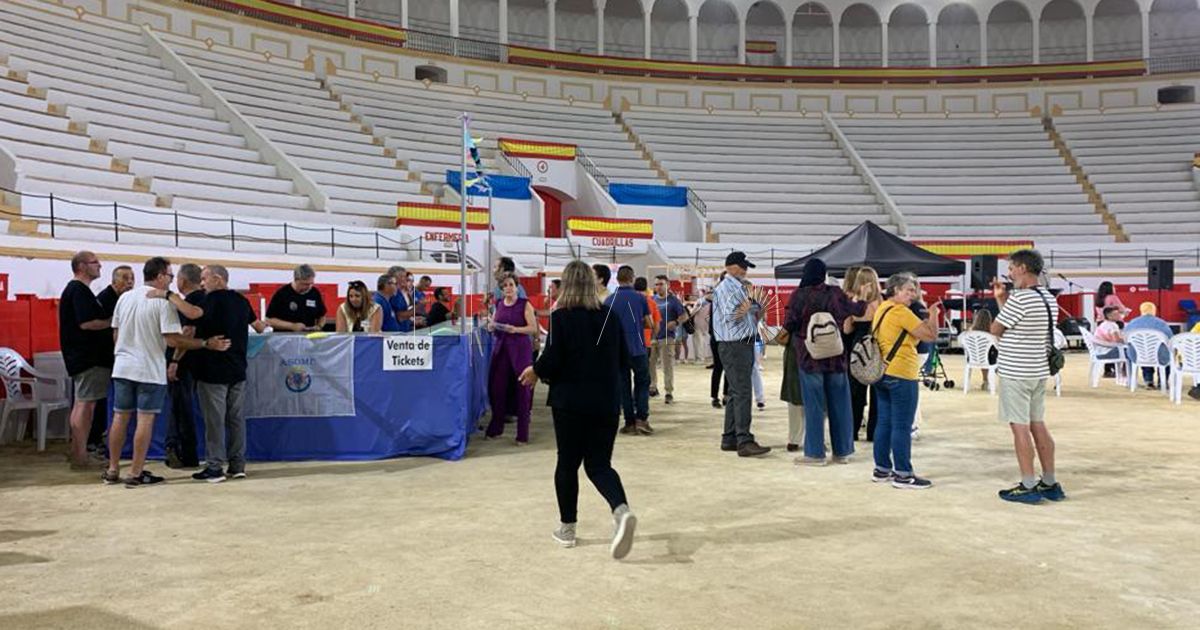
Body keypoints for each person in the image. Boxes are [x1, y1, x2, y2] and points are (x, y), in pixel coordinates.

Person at [518, 260, 636, 559]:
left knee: (567, 463)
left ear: (567, 285)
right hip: (607, 402)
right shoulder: (610, 315)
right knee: (599, 465)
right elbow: (624, 360)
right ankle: (621, 511)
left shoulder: (562, 318)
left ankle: (568, 529)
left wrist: (534, 370)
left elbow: (553, 359)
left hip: (570, 402)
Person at [104, 257, 230, 487]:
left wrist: (124, 353)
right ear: (161, 276)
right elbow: (173, 339)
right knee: (145, 419)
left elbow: (116, 334)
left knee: (119, 417)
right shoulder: (163, 303)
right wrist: (204, 344)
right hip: (149, 369)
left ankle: (112, 469)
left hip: (122, 366)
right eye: (170, 276)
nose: (172, 281)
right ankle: (135, 472)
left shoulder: (124, 297)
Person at [990, 248, 1066, 504]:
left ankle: (1028, 483)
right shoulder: (1048, 298)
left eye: (1011, 268)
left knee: (1019, 427)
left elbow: (996, 328)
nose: (1009, 273)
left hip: (1015, 371)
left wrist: (1002, 300)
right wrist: (1004, 299)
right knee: (1038, 424)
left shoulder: (1020, 299)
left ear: (1022, 268)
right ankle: (1050, 480)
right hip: (1037, 369)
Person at [783, 258, 871, 466]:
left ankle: (815, 454)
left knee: (814, 406)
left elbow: (790, 323)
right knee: (840, 405)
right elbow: (857, 311)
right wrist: (863, 297)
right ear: (823, 274)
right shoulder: (834, 293)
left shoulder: (798, 295)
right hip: (836, 357)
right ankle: (843, 452)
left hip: (809, 357)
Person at [191, 265, 267, 483]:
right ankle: (237, 465)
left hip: (212, 371)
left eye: (204, 279)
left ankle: (215, 467)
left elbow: (190, 330)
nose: (202, 283)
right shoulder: (242, 301)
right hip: (237, 370)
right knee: (235, 419)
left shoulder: (205, 303)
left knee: (214, 420)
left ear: (217, 279)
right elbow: (259, 327)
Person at [872, 272, 941, 489]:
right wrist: (933, 314)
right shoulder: (902, 312)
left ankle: (882, 469)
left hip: (882, 372)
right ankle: (903, 474)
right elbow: (930, 336)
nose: (913, 294)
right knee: (902, 425)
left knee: (884, 422)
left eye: (914, 290)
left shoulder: (882, 308)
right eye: (908, 290)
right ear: (895, 290)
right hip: (902, 373)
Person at [712, 252, 770, 457]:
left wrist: (754, 305)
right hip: (734, 344)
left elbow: (753, 313)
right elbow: (732, 315)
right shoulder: (728, 288)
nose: (745, 270)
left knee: (737, 391)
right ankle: (744, 439)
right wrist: (750, 302)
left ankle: (730, 437)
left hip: (739, 343)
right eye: (742, 266)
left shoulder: (737, 287)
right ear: (730, 267)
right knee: (743, 391)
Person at [58, 251, 113, 469]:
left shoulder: (81, 291)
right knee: (85, 405)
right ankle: (80, 456)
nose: (99, 265)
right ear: (81, 266)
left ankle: (78, 452)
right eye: (94, 262)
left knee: (85, 404)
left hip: (85, 357)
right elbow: (87, 323)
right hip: (87, 358)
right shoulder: (78, 290)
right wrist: (113, 321)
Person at [485, 274, 538, 444]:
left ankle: (522, 434)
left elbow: (532, 328)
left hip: (520, 349)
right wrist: (491, 326)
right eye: (505, 286)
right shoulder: (499, 304)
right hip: (501, 350)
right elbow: (493, 324)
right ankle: (496, 427)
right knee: (497, 389)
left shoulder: (525, 304)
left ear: (517, 287)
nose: (508, 288)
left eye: (511, 285)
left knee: (522, 390)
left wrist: (515, 329)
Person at [163, 263, 207, 470]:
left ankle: (183, 452)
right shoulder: (207, 299)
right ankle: (188, 453)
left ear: (183, 281)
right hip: (200, 361)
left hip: (186, 362)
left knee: (181, 408)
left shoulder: (189, 302)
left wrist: (175, 361)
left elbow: (187, 332)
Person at [90, 264, 135, 457]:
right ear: (113, 281)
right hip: (102, 358)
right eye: (125, 278)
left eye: (132, 278)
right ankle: (93, 440)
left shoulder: (126, 299)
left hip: (115, 358)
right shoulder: (106, 300)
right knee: (99, 401)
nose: (130, 282)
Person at [605, 266, 653, 435]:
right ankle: (642, 419)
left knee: (623, 386)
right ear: (632, 278)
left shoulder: (609, 300)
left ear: (617, 279)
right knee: (643, 382)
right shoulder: (640, 299)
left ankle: (629, 423)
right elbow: (650, 323)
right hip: (637, 347)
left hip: (618, 350)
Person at [842, 266, 882, 440]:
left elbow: (846, 329)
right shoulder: (881, 302)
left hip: (857, 346)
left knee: (855, 392)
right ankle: (874, 432)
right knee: (877, 392)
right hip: (876, 346)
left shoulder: (853, 303)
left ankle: (852, 431)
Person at [648, 275, 686, 404]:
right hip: (652, 338)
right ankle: (653, 387)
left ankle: (668, 391)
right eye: (656, 284)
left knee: (667, 366)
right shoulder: (651, 300)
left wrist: (675, 321)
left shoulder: (673, 301)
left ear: (667, 285)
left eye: (661, 284)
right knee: (650, 364)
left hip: (667, 337)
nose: (658, 286)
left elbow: (684, 316)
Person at [1124, 301, 1174, 387]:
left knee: (1141, 351)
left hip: (1137, 356)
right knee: (1168, 353)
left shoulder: (1132, 323)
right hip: (1159, 356)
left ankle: (1148, 380)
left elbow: (1125, 339)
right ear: (1154, 310)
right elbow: (1170, 339)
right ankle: (1162, 381)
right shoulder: (1161, 323)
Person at [265, 264, 326, 332]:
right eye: (305, 284)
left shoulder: (315, 293)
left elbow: (322, 316)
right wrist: (292, 326)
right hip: (285, 338)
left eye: (311, 283)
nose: (309, 287)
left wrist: (319, 326)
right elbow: (269, 320)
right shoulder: (282, 294)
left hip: (307, 338)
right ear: (296, 280)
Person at [969, 309, 998, 390]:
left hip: (972, 358)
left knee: (984, 355)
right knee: (990, 354)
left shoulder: (971, 331)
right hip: (988, 359)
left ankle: (985, 380)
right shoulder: (991, 332)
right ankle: (995, 373)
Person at [387, 265, 420, 332]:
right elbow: (399, 316)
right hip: (396, 331)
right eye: (402, 276)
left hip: (404, 328)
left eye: (405, 276)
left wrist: (412, 319)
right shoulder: (393, 293)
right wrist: (418, 306)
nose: (405, 279)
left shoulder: (401, 292)